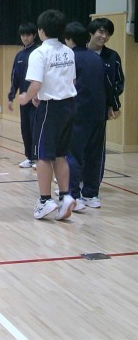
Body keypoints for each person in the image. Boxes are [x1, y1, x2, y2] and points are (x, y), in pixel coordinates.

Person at [19, 9, 77, 221]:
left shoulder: (39, 53)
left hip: (50, 109)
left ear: (41, 31)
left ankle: (45, 200)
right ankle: (65, 196)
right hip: (69, 106)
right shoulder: (68, 52)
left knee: (42, 155)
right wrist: (39, 95)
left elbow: (36, 83)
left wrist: (26, 97)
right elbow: (71, 81)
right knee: (60, 154)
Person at [63, 22, 114, 212]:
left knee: (74, 155)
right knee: (94, 155)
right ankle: (91, 195)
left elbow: (65, 85)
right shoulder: (97, 58)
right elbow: (108, 85)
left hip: (78, 113)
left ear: (69, 39)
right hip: (98, 114)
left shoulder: (70, 58)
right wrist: (112, 106)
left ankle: (74, 195)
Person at [87, 17, 125, 207]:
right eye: (101, 32)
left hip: (99, 112)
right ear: (91, 32)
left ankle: (92, 191)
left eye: (107, 33)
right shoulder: (78, 53)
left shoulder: (112, 56)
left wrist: (113, 104)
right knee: (74, 150)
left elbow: (117, 83)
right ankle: (72, 185)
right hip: (76, 111)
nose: (104, 36)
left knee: (96, 151)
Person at [7, 23, 39, 168]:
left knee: (35, 128)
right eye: (23, 35)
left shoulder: (38, 52)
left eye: (28, 35)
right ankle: (30, 157)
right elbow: (15, 78)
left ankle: (38, 158)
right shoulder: (19, 55)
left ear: (34, 35)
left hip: (38, 100)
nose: (25, 38)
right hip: (24, 99)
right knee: (25, 129)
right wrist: (11, 97)